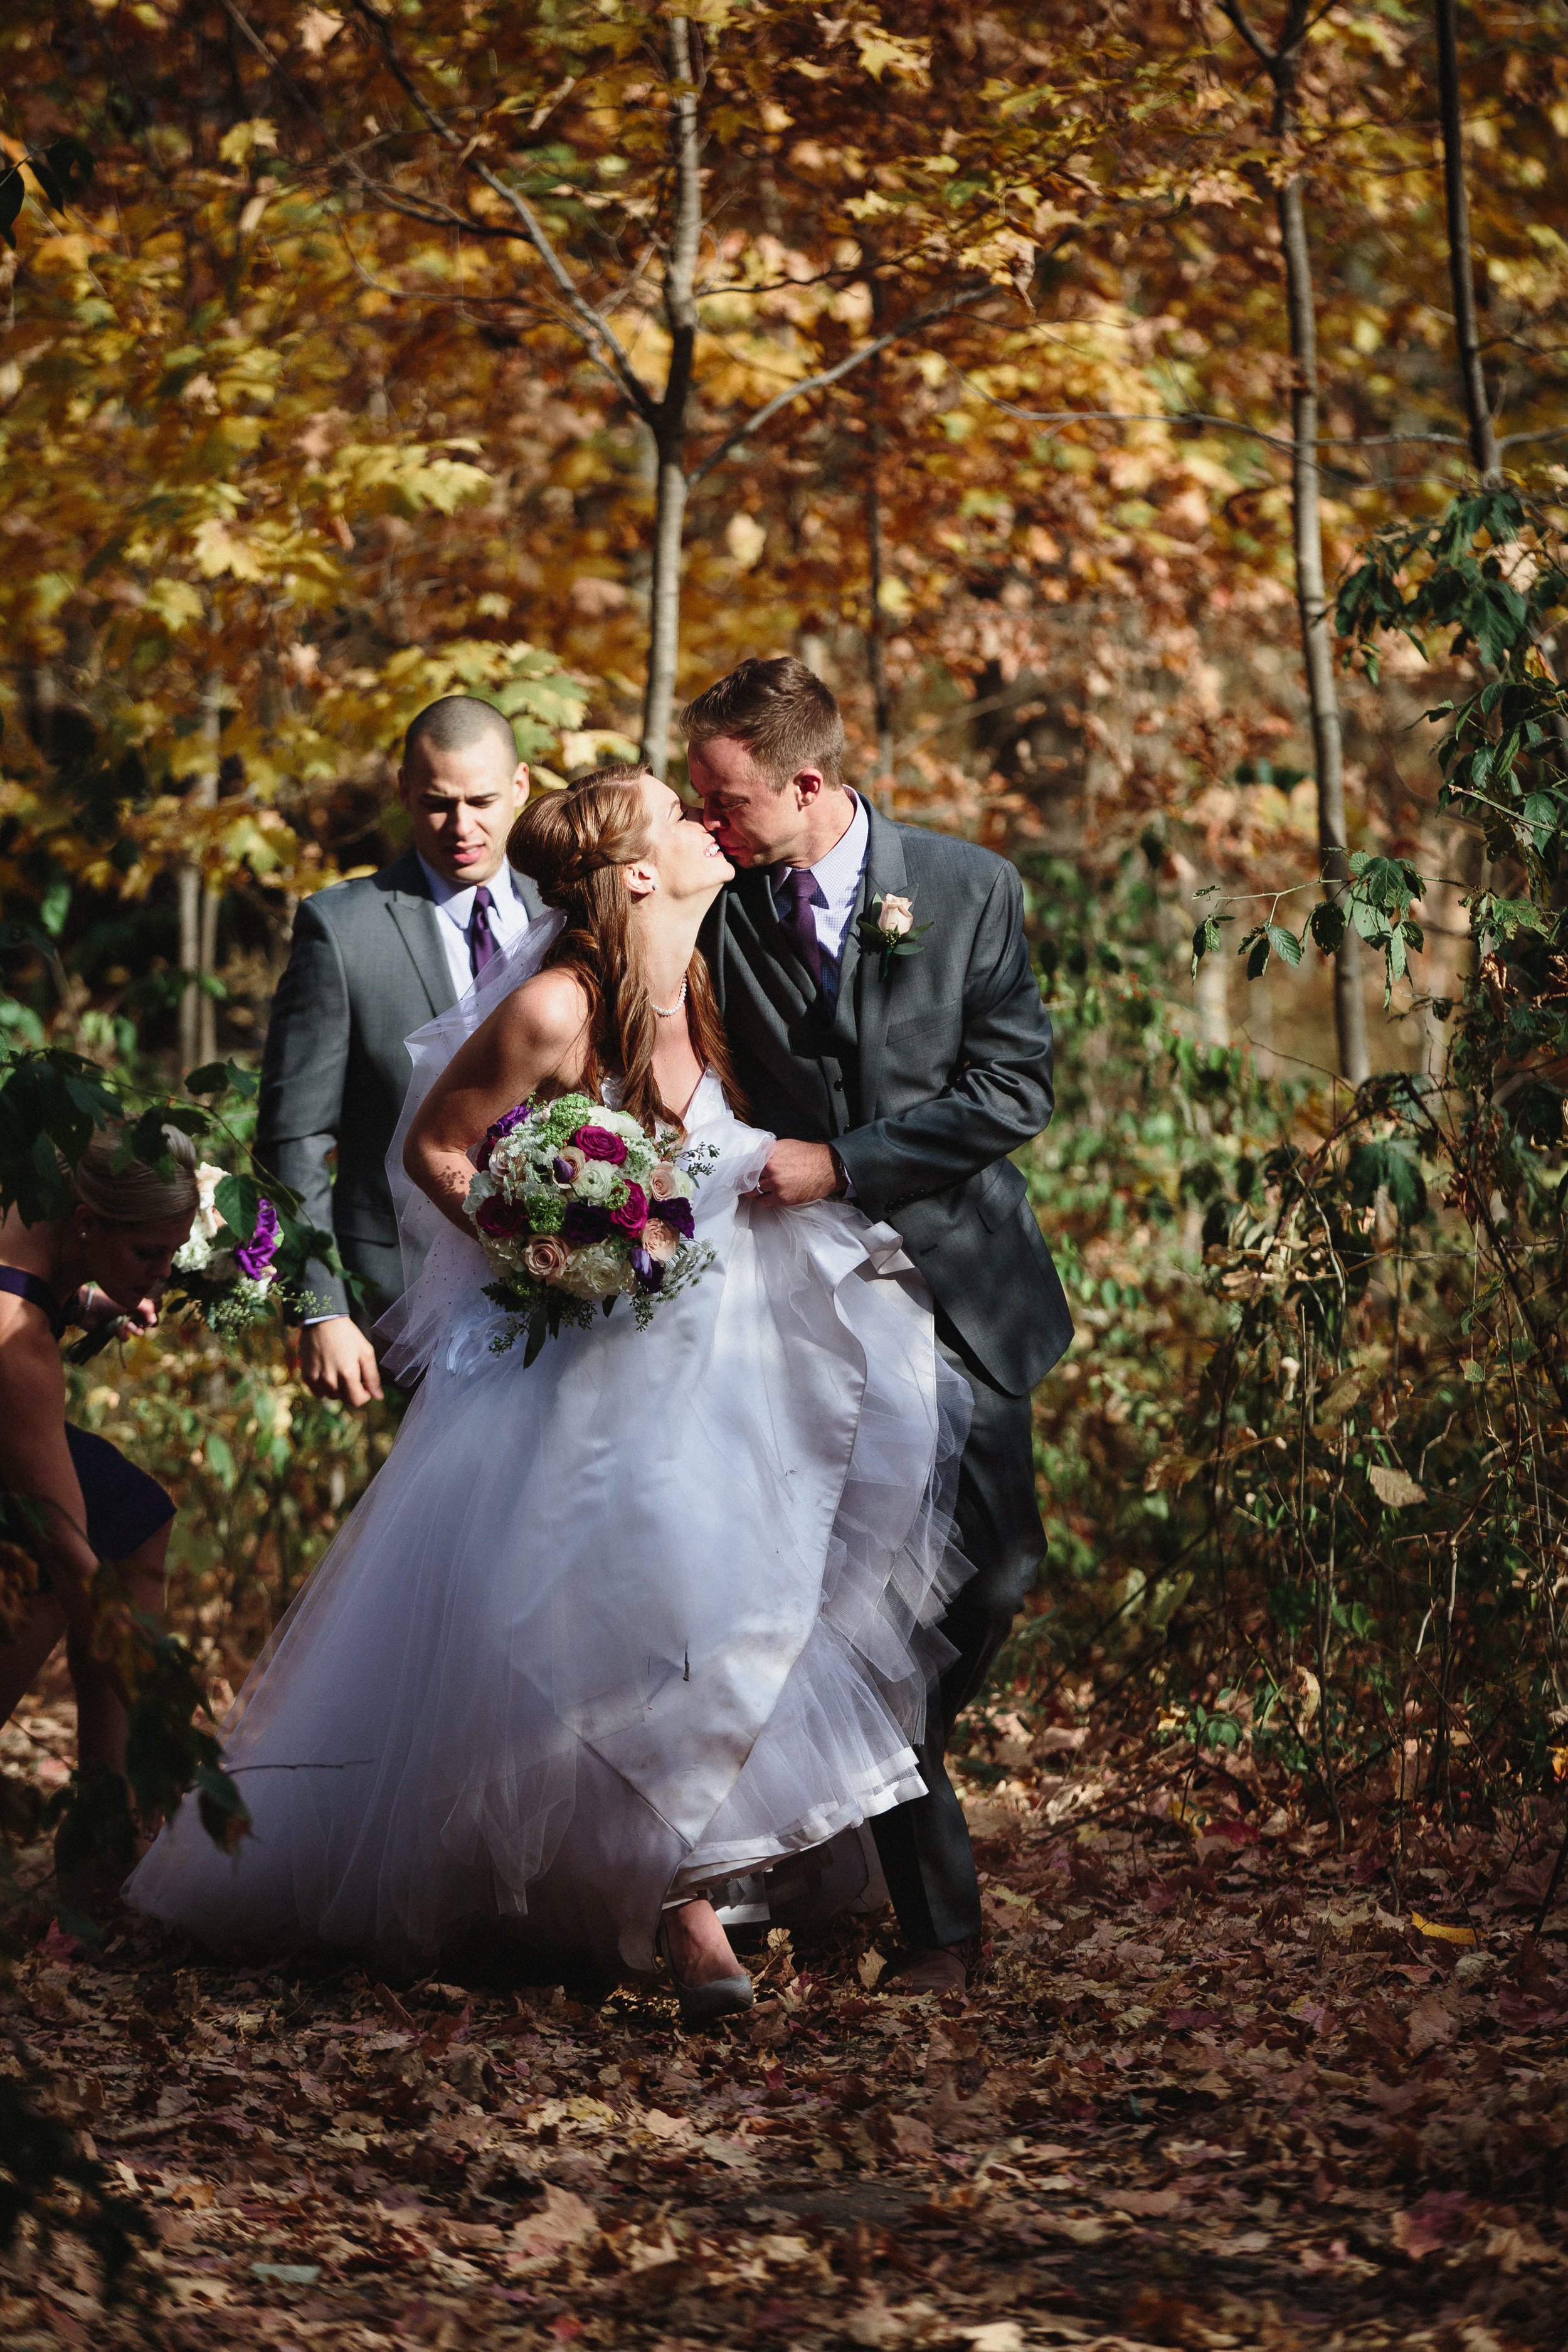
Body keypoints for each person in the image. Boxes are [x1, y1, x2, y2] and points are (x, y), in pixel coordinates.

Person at [126, 766, 972, 2022]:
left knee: (733, 1601)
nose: (703, 822)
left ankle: (690, 1878)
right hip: (596, 1362)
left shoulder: (698, 980)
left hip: (730, 1351)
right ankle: (681, 1914)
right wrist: (539, 1246)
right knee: (623, 1603)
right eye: (676, 817)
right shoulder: (549, 1008)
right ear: (636, 873)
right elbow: (434, 1146)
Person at [686, 655, 1073, 1996]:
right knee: (841, 1607)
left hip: (961, 1290)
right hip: (800, 1313)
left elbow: (1010, 1088)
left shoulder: (968, 887)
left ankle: (841, 1784)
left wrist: (841, 1161)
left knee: (994, 1578)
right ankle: (937, 1927)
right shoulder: (717, 904)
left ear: (807, 782)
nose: (708, 820)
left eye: (726, 798)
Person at [257, 694, 543, 1409]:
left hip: (566, 1284)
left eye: (481, 801)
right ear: (403, 794)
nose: (462, 827)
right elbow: (293, 1134)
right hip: (400, 1303)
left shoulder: (570, 907)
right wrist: (320, 1307)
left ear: (521, 788)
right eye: (438, 804)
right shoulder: (340, 930)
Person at [0, 1130, 198, 1780]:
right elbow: (68, 1551)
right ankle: (118, 1807)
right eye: (149, 1252)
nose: (166, 1272)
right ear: (87, 1222)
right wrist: (160, 1715)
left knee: (133, 1508)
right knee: (61, 1568)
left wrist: (85, 1299)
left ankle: (108, 1797)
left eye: (175, 1250)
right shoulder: (21, 1347)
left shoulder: (35, 1193)